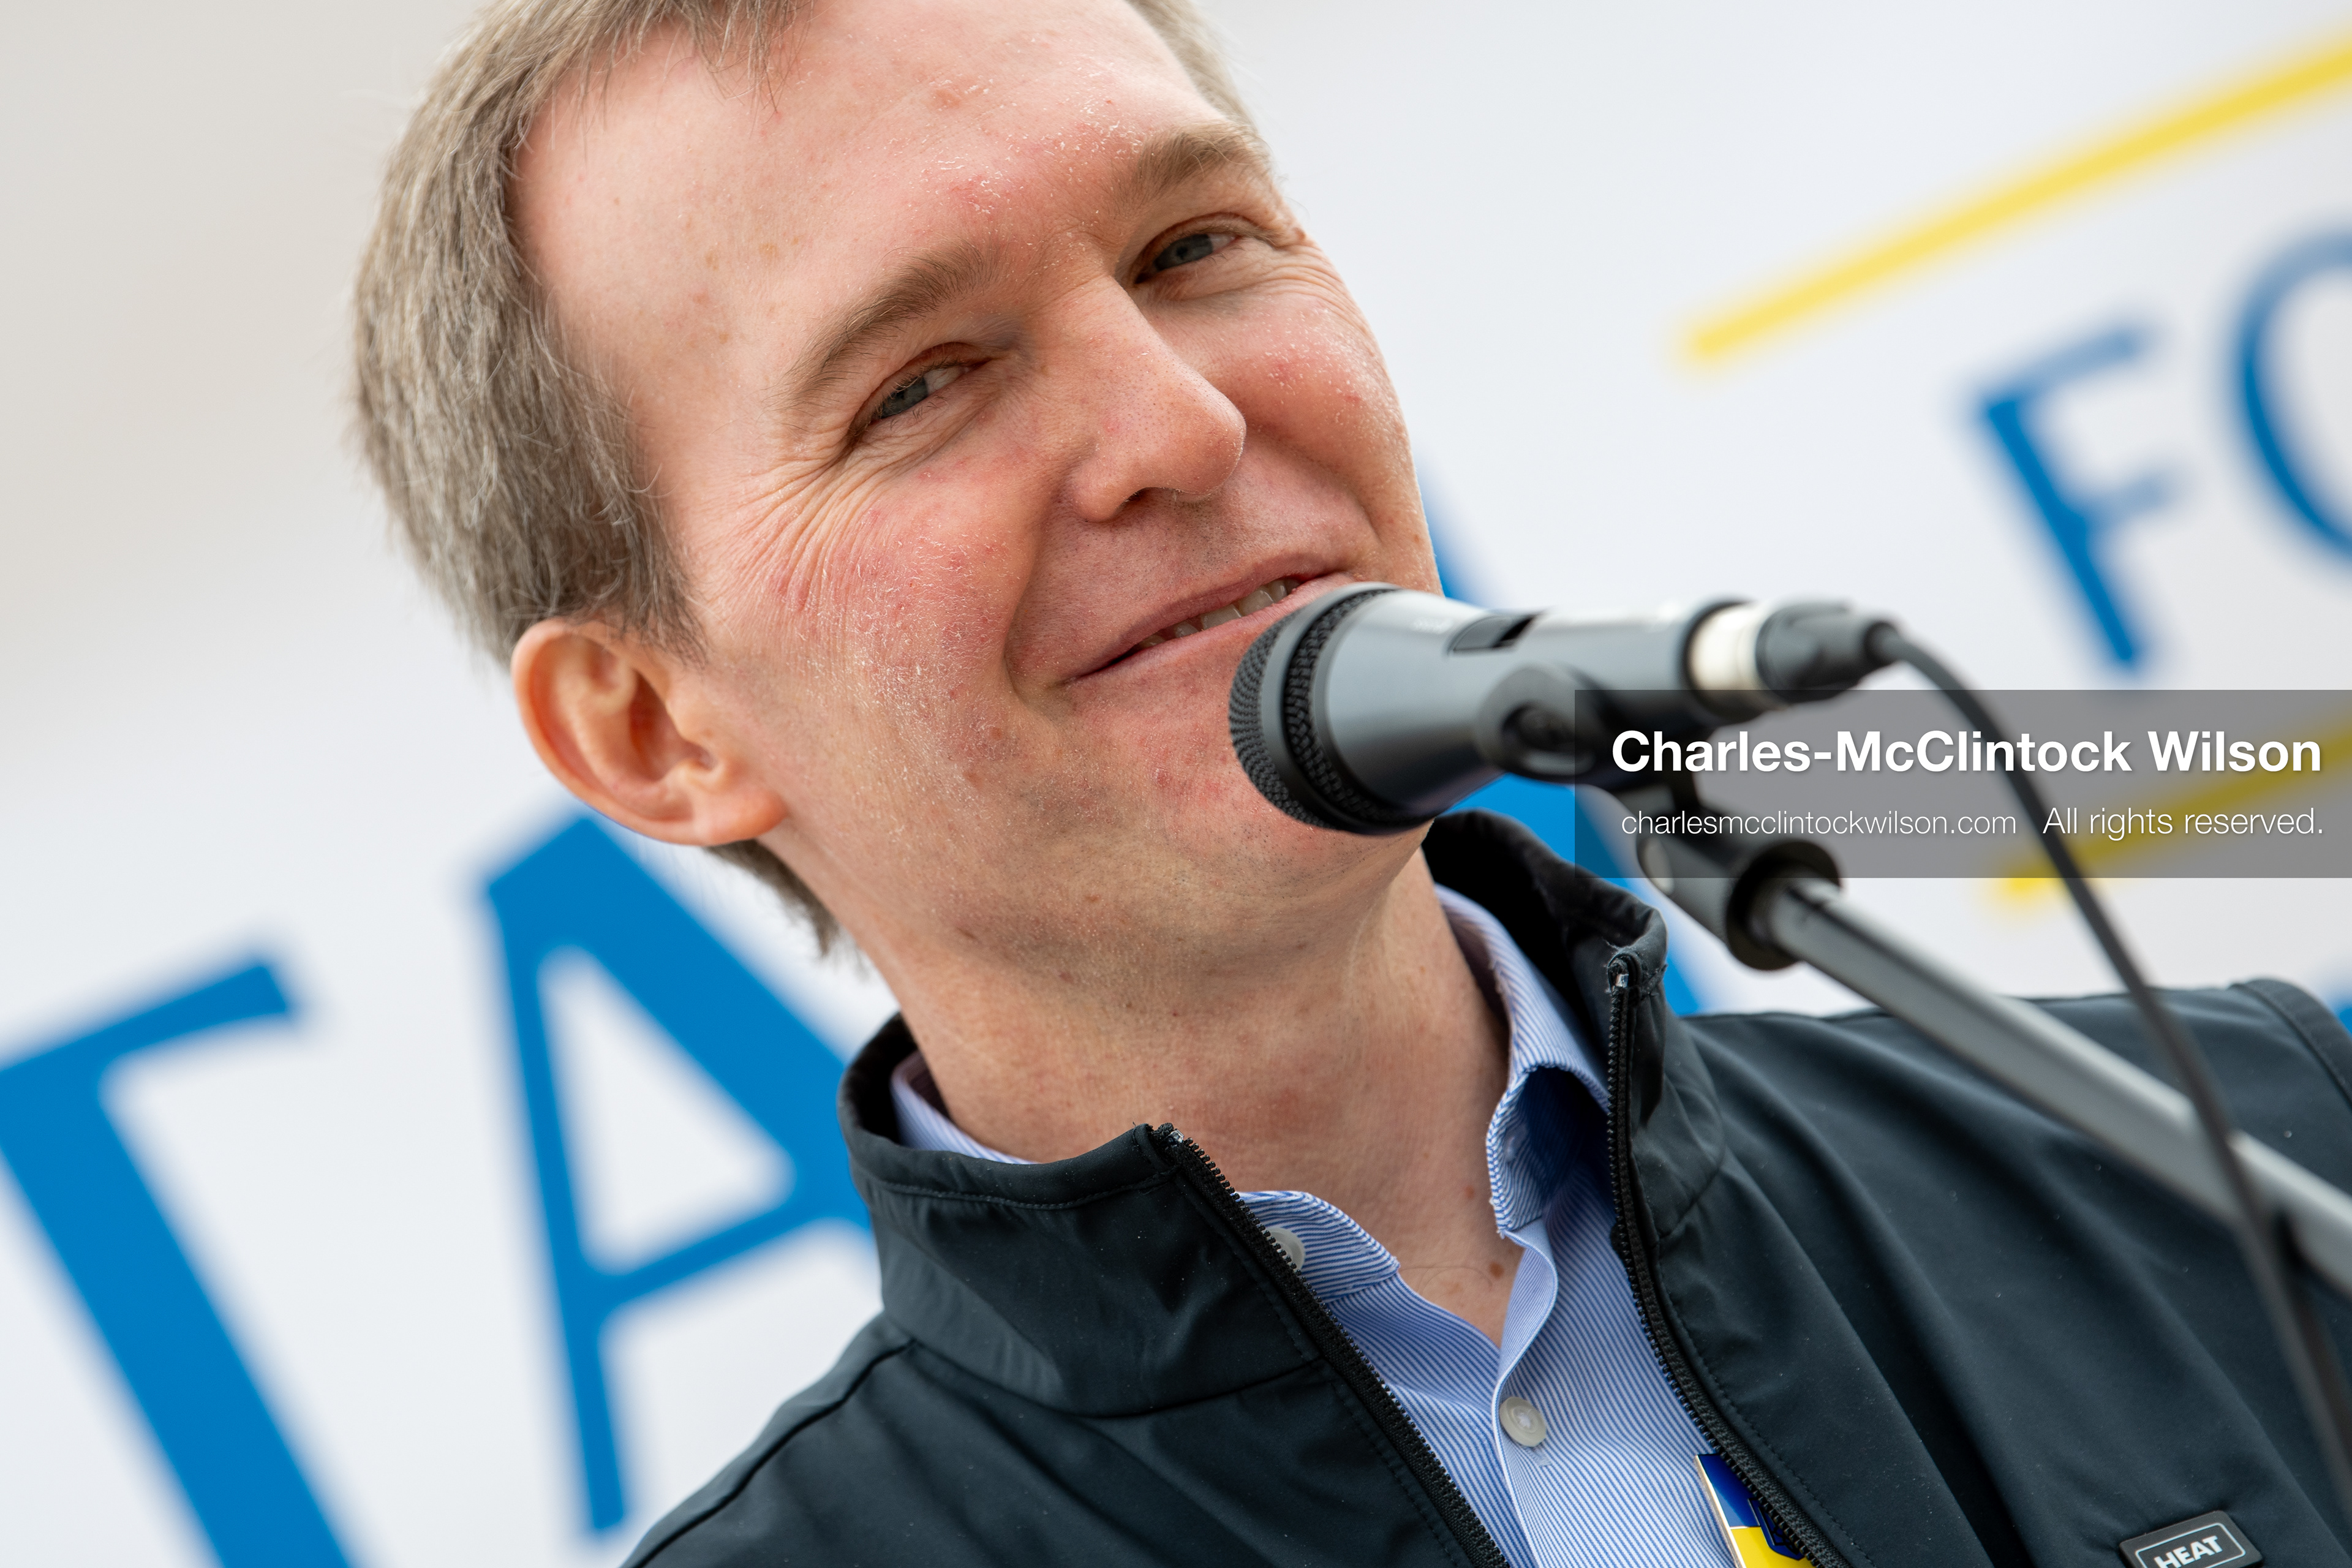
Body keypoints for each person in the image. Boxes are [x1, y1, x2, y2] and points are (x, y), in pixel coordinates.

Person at [353, 1, 2352, 1563]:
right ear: (655, 732)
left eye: (1198, 243)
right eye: (921, 383)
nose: (1181, 418)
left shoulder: (2252, 1158)